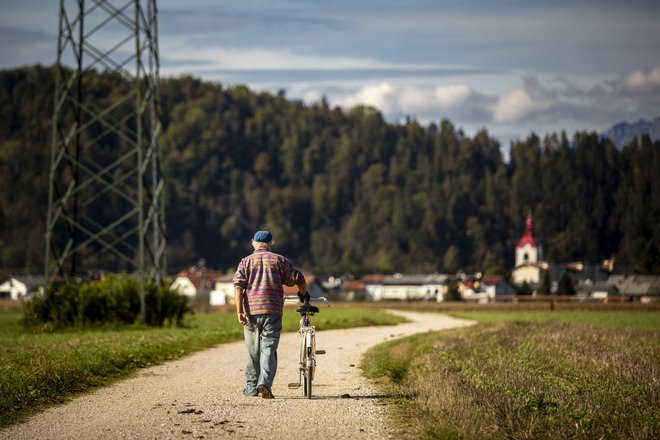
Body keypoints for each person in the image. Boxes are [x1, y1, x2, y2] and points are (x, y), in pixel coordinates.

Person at [232, 230, 308, 399]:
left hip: (251, 312)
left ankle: (251, 388)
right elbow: (299, 278)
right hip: (273, 311)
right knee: (268, 348)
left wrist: (239, 311)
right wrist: (303, 294)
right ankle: (264, 383)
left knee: (253, 351)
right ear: (271, 244)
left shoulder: (245, 262)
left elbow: (238, 287)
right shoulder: (279, 260)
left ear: (253, 243)